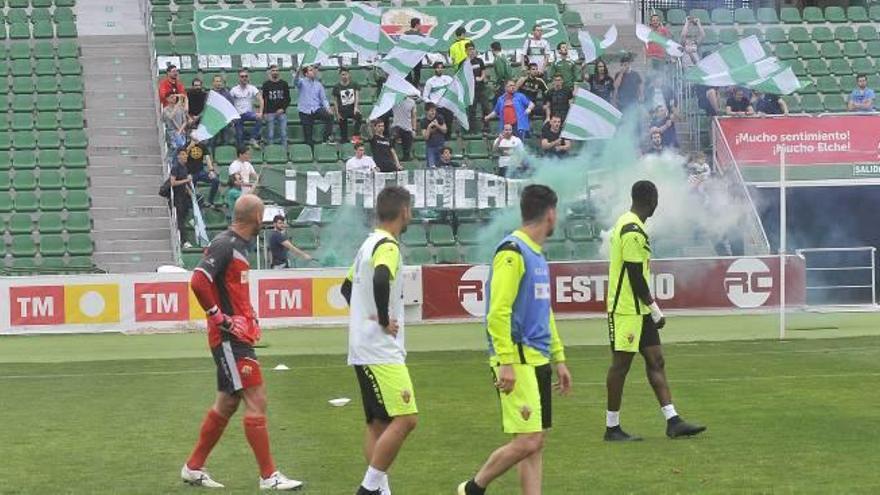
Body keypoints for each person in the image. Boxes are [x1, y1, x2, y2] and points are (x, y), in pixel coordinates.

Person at [181, 194, 303, 491]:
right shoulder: (226, 244)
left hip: (237, 336)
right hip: (229, 339)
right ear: (256, 217)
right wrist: (219, 318)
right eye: (262, 215)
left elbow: (230, 290)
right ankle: (268, 476)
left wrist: (248, 316)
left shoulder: (239, 246)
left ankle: (193, 468)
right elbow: (198, 280)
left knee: (228, 402)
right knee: (256, 398)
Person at [457, 184, 572, 495]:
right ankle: (473, 487)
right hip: (517, 359)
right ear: (550, 214)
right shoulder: (512, 252)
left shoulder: (536, 255)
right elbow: (497, 312)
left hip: (537, 358)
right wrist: (506, 361)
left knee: (536, 443)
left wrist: (558, 357)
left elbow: (543, 311)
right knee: (528, 440)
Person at [604, 180, 707, 442]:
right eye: (656, 200)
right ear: (651, 200)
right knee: (620, 366)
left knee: (656, 360)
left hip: (638, 310)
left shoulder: (631, 224)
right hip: (626, 309)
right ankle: (612, 427)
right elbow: (635, 275)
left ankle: (673, 421)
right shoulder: (631, 230)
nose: (657, 205)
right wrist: (655, 308)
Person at [340, 186, 418, 495]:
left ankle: (381, 491)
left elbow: (346, 289)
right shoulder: (388, 245)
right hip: (380, 350)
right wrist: (383, 321)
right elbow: (382, 277)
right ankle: (369, 489)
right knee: (407, 418)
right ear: (404, 212)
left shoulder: (367, 244)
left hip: (363, 346)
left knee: (377, 423)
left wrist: (366, 317)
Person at [295, 65, 334, 146]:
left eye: (313, 70)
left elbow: (323, 99)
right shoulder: (301, 82)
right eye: (310, 70)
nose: (313, 72)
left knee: (330, 116)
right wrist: (297, 73)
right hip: (304, 111)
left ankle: (326, 138)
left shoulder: (318, 85)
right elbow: (295, 81)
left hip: (316, 109)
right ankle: (311, 152)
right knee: (308, 137)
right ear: (306, 73)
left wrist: (328, 108)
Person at [230, 69, 263, 147]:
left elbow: (261, 100)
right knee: (239, 137)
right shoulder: (234, 90)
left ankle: (253, 138)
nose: (244, 78)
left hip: (248, 113)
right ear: (239, 78)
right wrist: (231, 117)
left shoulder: (252, 88)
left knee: (259, 118)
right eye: (242, 76)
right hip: (237, 115)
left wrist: (260, 112)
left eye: (246, 76)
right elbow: (229, 103)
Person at [184, 136, 221, 205]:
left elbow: (207, 158)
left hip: (200, 172)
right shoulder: (186, 144)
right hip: (190, 173)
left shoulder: (202, 145)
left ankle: (210, 201)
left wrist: (211, 170)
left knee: (216, 180)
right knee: (188, 191)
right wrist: (190, 147)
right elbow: (183, 156)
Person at [261, 65, 292, 147]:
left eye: (276, 70)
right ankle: (271, 152)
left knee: (283, 134)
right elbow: (263, 99)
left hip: (281, 112)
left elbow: (288, 99)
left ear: (279, 72)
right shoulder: (266, 84)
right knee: (270, 135)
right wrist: (264, 112)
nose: (275, 72)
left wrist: (283, 108)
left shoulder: (284, 84)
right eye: (273, 70)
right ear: (270, 72)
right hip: (269, 112)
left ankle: (284, 153)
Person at [422, 62, 454, 138]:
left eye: (441, 67)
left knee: (449, 125)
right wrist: (432, 104)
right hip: (437, 109)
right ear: (435, 69)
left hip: (447, 107)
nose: (440, 69)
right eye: (438, 67)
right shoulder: (430, 81)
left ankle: (448, 144)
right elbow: (425, 97)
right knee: (439, 127)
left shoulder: (448, 79)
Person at [333, 68, 363, 143]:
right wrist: (337, 114)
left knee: (359, 116)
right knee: (343, 135)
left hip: (352, 108)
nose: (344, 76)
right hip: (342, 110)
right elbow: (335, 101)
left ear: (349, 74)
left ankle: (356, 136)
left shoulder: (354, 84)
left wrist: (356, 108)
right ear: (340, 76)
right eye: (343, 74)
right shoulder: (336, 86)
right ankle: (344, 139)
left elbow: (357, 96)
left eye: (346, 74)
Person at [169, 148, 193, 245]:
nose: (185, 156)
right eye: (183, 154)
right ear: (178, 156)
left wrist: (189, 190)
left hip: (184, 195)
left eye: (186, 154)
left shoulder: (184, 167)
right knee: (180, 219)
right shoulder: (175, 167)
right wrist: (186, 181)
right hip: (177, 197)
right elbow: (172, 182)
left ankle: (191, 220)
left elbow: (184, 181)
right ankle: (183, 241)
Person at [467, 43, 491, 132]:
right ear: (466, 51)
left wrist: (481, 78)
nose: (471, 51)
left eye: (473, 49)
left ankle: (486, 127)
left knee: (485, 108)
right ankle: (472, 129)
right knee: (472, 111)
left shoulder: (479, 60)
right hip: (471, 91)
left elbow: (483, 71)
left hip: (481, 89)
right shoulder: (464, 62)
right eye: (469, 49)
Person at [209, 75, 235, 146]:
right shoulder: (209, 94)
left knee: (225, 141)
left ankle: (224, 154)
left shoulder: (226, 93)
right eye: (217, 81)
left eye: (220, 81)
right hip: (213, 121)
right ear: (213, 83)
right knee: (212, 142)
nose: (218, 83)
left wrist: (231, 119)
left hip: (224, 121)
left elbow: (231, 106)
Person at [391, 95, 417, 162]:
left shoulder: (412, 102)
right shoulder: (393, 100)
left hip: (407, 128)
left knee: (407, 151)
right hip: (396, 126)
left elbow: (413, 116)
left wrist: (414, 129)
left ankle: (405, 160)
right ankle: (391, 158)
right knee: (391, 141)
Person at [421, 102, 447, 168]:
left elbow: (445, 130)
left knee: (441, 166)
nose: (433, 112)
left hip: (441, 146)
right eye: (431, 111)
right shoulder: (423, 121)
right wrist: (429, 127)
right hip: (430, 147)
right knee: (431, 167)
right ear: (427, 111)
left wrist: (437, 125)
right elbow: (425, 137)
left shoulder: (439, 117)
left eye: (434, 110)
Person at [404, 18, 423, 87]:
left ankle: (410, 87)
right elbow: (423, 48)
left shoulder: (406, 34)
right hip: (417, 58)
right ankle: (414, 88)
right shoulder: (420, 35)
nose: (421, 26)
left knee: (408, 74)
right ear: (417, 25)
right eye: (420, 24)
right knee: (417, 75)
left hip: (408, 58)